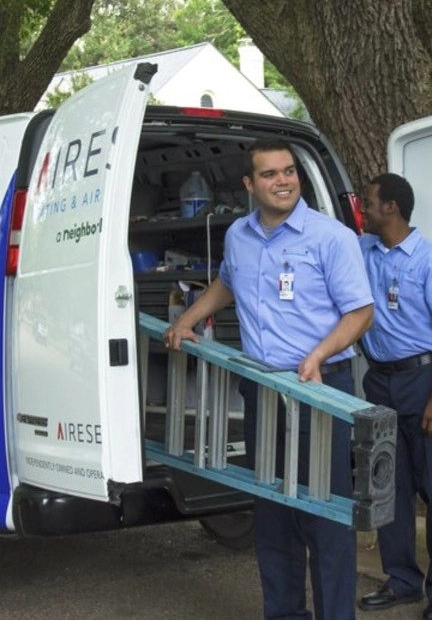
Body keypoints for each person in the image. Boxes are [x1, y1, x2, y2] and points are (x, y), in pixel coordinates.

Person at [164, 137, 374, 619]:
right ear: (249, 184)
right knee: (274, 515)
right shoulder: (239, 234)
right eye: (270, 174)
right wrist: (187, 320)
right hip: (262, 389)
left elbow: (361, 313)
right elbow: (227, 282)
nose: (282, 182)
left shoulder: (329, 237)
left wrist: (319, 354)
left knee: (323, 514)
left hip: (318, 390)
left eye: (288, 172)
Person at [355, 173, 432, 620]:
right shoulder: (363, 251)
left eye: (367, 204)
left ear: (391, 209)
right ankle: (402, 580)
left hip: (425, 381)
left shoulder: (431, 259)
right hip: (379, 382)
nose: (361, 211)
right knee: (389, 486)